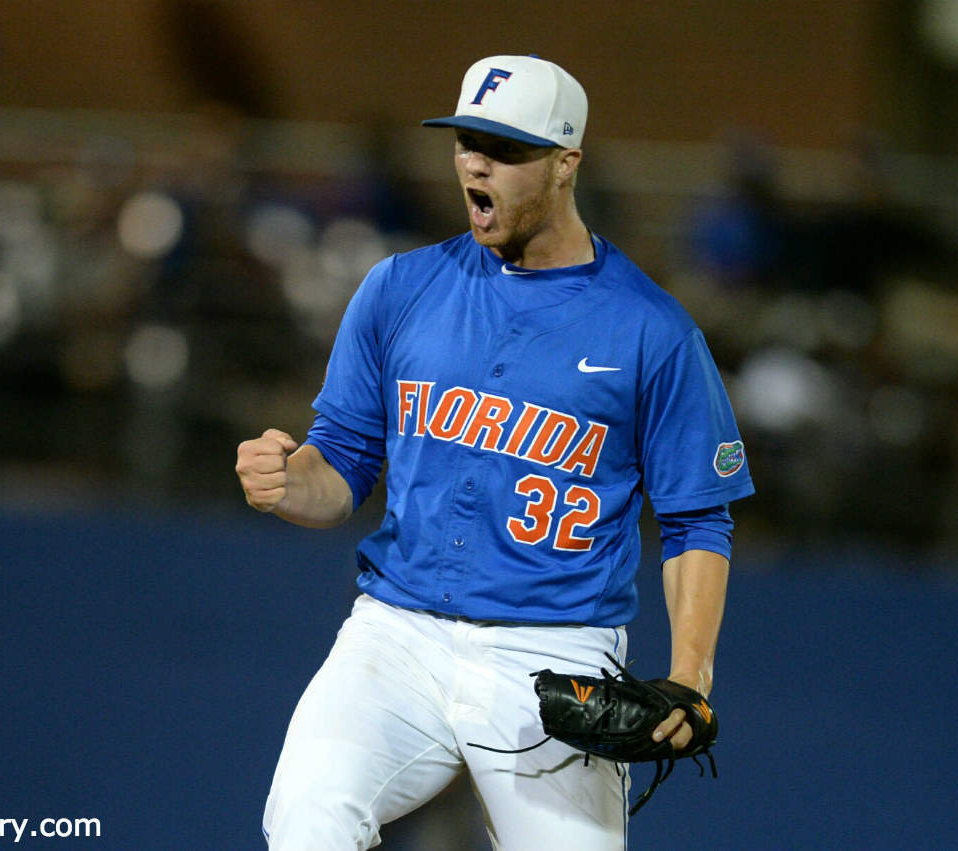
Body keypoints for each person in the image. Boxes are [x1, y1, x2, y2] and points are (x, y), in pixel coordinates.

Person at [236, 54, 755, 850]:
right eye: (467, 140)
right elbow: (340, 465)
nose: (476, 161)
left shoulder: (651, 330)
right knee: (308, 818)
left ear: (566, 163)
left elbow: (696, 519)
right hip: (397, 632)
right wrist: (287, 479)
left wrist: (691, 675)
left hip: (555, 651)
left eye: (506, 148)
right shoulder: (399, 289)